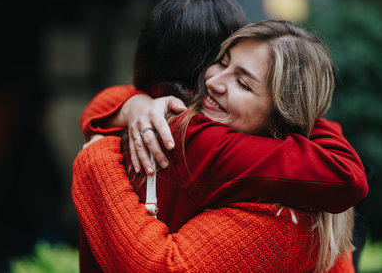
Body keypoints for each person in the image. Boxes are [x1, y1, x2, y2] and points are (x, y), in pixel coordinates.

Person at [74, 20, 366, 272]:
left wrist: (97, 155)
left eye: (243, 83)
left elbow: (161, 267)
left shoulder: (281, 219)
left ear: (282, 117)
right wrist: (137, 105)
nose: (213, 81)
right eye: (223, 62)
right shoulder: (315, 196)